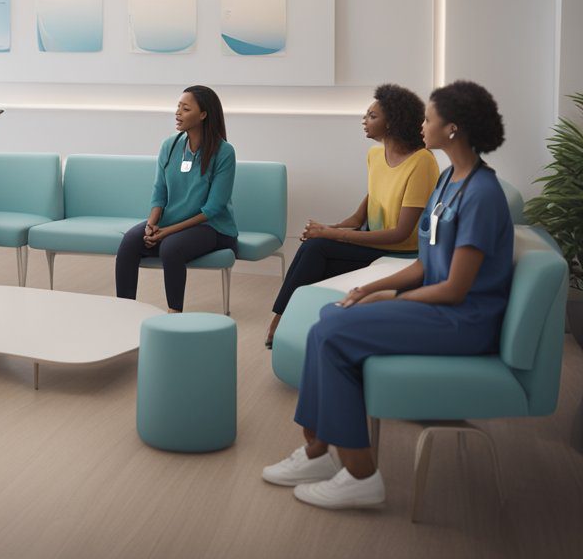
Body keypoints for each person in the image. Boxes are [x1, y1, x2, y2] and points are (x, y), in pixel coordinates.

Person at [263, 81, 511, 510]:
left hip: (462, 321)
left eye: (428, 118)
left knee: (332, 333)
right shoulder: (451, 178)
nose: (421, 124)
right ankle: (318, 453)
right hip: (438, 306)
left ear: (452, 129)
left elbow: (454, 287)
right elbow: (425, 262)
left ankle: (359, 473)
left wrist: (391, 301)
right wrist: (372, 286)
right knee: (329, 317)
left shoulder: (482, 195)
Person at [265, 84, 439, 348]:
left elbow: (401, 234)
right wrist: (329, 228)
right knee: (313, 248)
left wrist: (331, 234)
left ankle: (281, 321)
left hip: (400, 250)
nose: (364, 120)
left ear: (391, 123)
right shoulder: (375, 155)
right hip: (371, 242)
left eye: (372, 116)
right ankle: (290, 323)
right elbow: (362, 214)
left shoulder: (421, 161)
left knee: (317, 249)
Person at [116, 86, 238, 312]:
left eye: (185, 108)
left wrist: (166, 232)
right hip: (171, 222)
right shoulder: (170, 146)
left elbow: (213, 208)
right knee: (130, 241)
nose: (178, 113)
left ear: (203, 115)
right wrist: (152, 224)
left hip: (213, 227)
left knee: (171, 248)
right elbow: (159, 191)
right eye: (178, 107)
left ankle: (174, 314)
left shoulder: (224, 152)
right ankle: (124, 310)